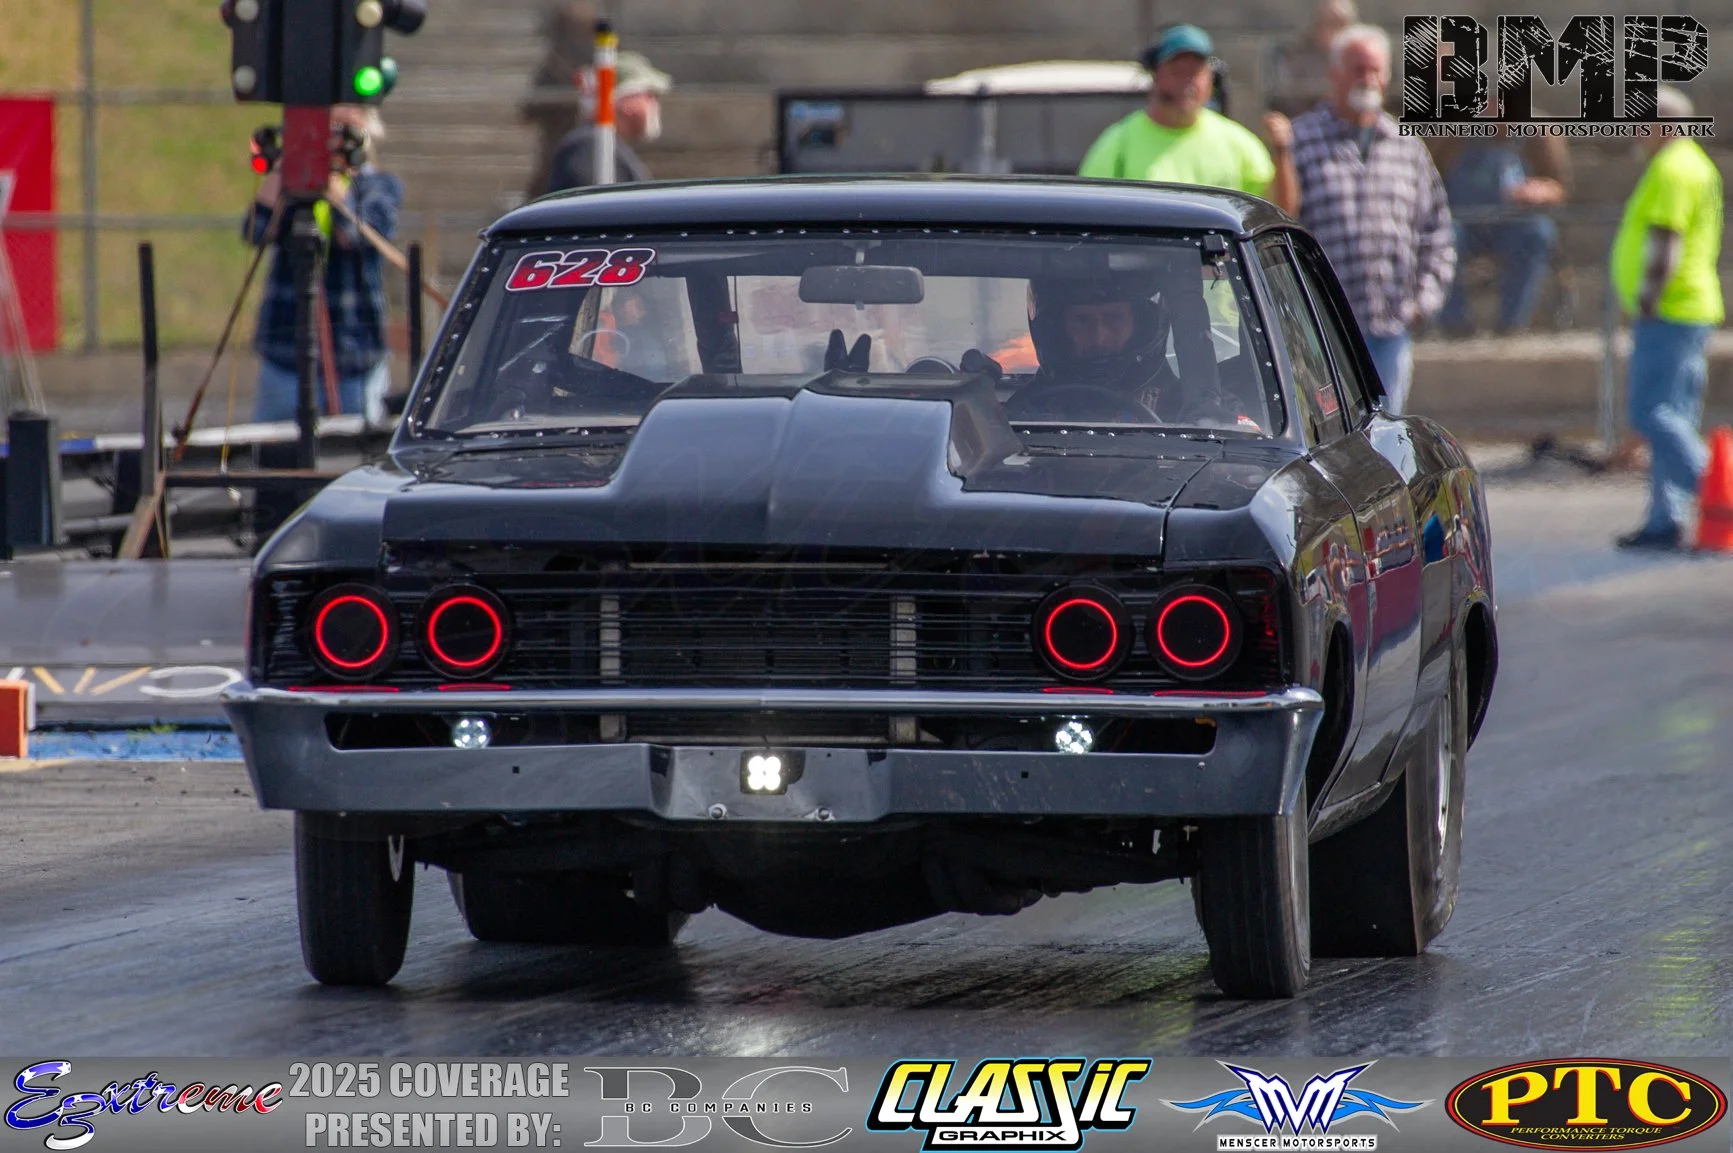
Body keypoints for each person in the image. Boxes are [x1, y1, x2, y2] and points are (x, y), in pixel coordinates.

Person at [1289, 24, 1454, 414]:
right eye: (1357, 69)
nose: (1367, 78)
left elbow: (1437, 231)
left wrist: (1423, 300)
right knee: (1327, 431)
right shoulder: (1299, 140)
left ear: (1387, 75)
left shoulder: (1406, 145)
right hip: (1323, 329)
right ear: (1334, 74)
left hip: (1390, 324)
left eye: (1374, 69)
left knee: (1385, 431)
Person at [1610, 87, 1724, 551]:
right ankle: (1665, 519)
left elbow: (1665, 242)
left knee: (1650, 412)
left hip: (1669, 309)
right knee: (1674, 415)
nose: (1637, 133)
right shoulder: (1695, 163)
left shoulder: (1672, 168)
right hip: (1688, 308)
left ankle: (1717, 495)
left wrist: (1645, 301)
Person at [246, 105, 402, 426]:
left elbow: (354, 234)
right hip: (286, 355)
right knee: (273, 446)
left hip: (354, 354)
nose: (333, 139)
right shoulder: (292, 185)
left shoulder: (379, 186)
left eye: (344, 130)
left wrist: (330, 178)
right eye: (328, 128)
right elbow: (255, 231)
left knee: (357, 447)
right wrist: (289, 165)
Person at [1079, 24, 1299, 217]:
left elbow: (1280, 212)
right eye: (1177, 72)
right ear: (1155, 76)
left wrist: (1281, 153)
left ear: (1211, 79)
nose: (1187, 83)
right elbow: (1087, 211)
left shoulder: (1238, 143)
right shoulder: (1119, 144)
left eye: (1196, 73)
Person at [1435, 126, 1569, 335]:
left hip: (1513, 223)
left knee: (1538, 232)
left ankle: (1511, 326)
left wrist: (1541, 190)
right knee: (1441, 235)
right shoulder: (1452, 132)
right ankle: (1454, 325)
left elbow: (1560, 187)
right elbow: (1429, 177)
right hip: (1464, 222)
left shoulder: (1540, 134)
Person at [541, 51, 672, 194]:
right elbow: (595, 204)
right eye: (650, 95)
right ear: (626, 100)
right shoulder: (590, 147)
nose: (655, 105)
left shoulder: (603, 146)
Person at [520, 1, 598, 201]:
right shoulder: (555, 63)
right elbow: (531, 108)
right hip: (557, 135)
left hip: (584, 133)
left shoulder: (593, 60)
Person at [1265, 0, 1358, 117]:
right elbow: (1283, 99)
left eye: (1341, 24)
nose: (1336, 31)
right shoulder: (1294, 56)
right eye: (1329, 22)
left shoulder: (1361, 59)